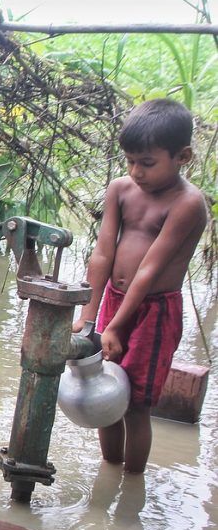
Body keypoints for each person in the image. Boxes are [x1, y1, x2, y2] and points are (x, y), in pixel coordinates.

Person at [72, 98, 207, 473]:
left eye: (147, 163)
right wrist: (88, 317)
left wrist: (115, 326)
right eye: (130, 161)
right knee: (105, 392)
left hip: (155, 310)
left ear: (183, 157)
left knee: (135, 403)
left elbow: (149, 270)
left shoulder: (188, 203)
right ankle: (109, 469)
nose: (136, 171)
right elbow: (102, 254)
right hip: (115, 300)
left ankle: (132, 482)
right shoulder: (120, 189)